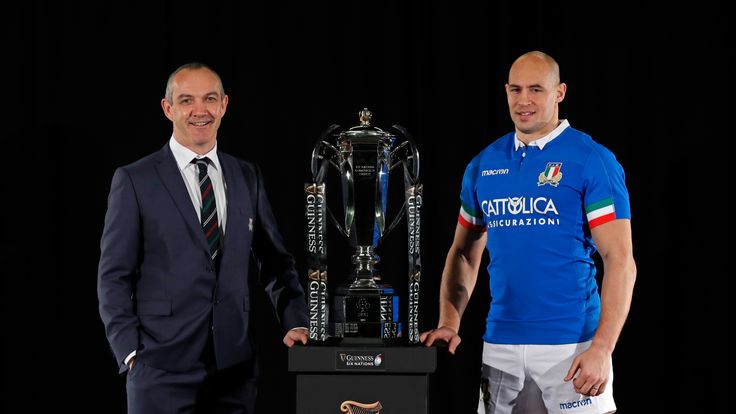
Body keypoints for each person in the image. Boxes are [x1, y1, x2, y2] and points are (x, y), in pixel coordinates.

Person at [420, 51, 636, 414]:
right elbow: (463, 252)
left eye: (536, 89)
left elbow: (620, 260)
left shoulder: (591, 159)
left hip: (572, 347)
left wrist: (602, 348)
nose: (524, 101)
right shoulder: (483, 164)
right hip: (501, 347)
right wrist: (449, 321)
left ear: (559, 92)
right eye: (515, 89)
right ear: (505, 91)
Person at [98, 62, 309, 414]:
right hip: (160, 369)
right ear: (168, 109)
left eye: (210, 99)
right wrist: (130, 352)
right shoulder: (135, 180)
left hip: (234, 371)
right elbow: (113, 276)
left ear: (224, 105)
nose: (200, 111)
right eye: (186, 100)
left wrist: (295, 320)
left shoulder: (247, 175)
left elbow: (275, 262)